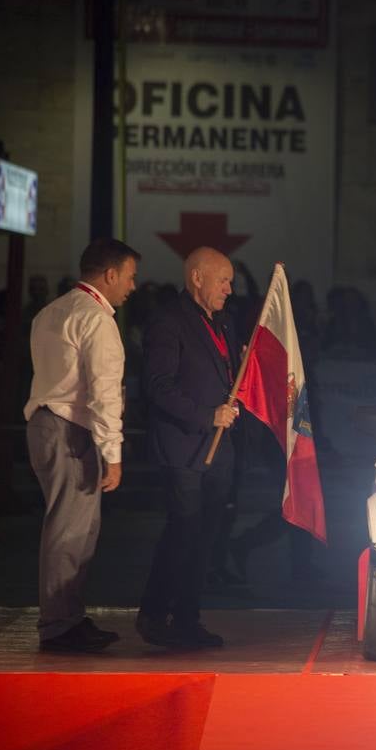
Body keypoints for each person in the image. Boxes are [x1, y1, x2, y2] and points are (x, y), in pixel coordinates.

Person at [24, 238, 139, 652]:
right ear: (109, 275)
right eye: (129, 277)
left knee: (72, 527)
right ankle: (58, 625)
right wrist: (114, 454)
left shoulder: (50, 312)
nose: (132, 286)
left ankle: (66, 618)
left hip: (45, 422)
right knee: (71, 529)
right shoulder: (95, 319)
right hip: (69, 428)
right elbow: (104, 393)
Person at [137, 247, 241, 648]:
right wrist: (206, 414)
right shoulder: (169, 322)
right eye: (223, 280)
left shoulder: (225, 324)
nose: (230, 289)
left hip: (217, 450)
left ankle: (182, 618)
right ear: (197, 277)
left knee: (203, 537)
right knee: (184, 533)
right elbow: (158, 387)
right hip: (184, 448)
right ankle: (160, 615)